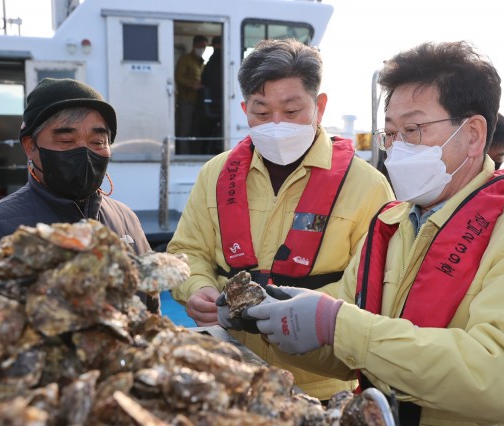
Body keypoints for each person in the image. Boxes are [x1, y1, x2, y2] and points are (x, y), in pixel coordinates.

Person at [234, 41, 504, 425]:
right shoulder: (391, 227)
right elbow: (347, 348)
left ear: (474, 134)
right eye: (390, 134)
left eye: (412, 130)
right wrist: (268, 318)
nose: (396, 150)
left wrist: (335, 323)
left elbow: (500, 377)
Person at [168, 38, 395, 401]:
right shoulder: (215, 174)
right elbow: (186, 251)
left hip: (321, 386)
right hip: (228, 376)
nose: (276, 124)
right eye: (261, 112)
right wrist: (197, 290)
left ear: (319, 106)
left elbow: (378, 285)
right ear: (244, 109)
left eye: (291, 112)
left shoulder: (368, 185)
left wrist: (299, 313)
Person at [0, 78, 159, 311]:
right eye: (66, 141)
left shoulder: (126, 218)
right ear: (30, 146)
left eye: (98, 141)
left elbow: (151, 310)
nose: (85, 152)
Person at [175, 35, 208, 153]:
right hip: (186, 100)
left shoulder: (201, 62)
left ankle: (193, 152)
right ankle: (183, 154)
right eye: (200, 46)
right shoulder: (185, 59)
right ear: (194, 45)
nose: (202, 49)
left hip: (197, 101)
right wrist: (193, 85)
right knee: (185, 129)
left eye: (204, 47)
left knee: (195, 130)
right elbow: (178, 77)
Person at [198, 35, 223, 153]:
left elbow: (204, 81)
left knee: (208, 133)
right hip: (220, 103)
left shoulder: (209, 63)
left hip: (209, 103)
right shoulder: (224, 60)